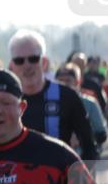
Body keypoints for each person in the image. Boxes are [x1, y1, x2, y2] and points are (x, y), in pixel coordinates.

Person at [7, 30, 97, 160]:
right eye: (19, 60)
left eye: (33, 59)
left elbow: (89, 147)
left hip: (61, 177)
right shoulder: (5, 102)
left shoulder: (67, 96)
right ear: (11, 66)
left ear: (43, 62)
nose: (27, 66)